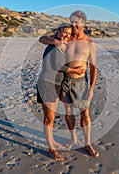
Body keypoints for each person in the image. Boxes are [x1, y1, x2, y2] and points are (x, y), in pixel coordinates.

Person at [39, 10, 99, 157]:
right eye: (72, 22)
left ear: (83, 23)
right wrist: (56, 41)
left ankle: (87, 143)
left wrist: (91, 87)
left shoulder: (90, 44)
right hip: (65, 81)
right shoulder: (66, 38)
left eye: (76, 22)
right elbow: (42, 38)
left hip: (80, 82)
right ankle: (73, 139)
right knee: (68, 112)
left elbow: (93, 67)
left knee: (84, 113)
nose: (73, 25)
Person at [37, 23, 85, 161]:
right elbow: (56, 66)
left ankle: (64, 140)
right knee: (49, 118)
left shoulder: (63, 45)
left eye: (68, 34)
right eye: (64, 32)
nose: (66, 35)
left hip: (58, 84)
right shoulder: (53, 45)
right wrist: (75, 71)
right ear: (58, 32)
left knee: (59, 114)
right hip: (47, 84)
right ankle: (51, 148)